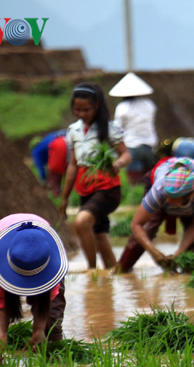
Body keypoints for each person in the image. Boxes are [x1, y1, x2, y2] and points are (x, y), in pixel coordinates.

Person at [59, 83, 131, 270]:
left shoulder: (109, 128)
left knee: (82, 222)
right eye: (77, 109)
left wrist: (117, 163)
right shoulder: (73, 130)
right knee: (100, 236)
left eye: (86, 110)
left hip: (107, 187)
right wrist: (65, 198)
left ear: (96, 106)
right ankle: (115, 274)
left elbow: (126, 155)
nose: (81, 114)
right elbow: (73, 165)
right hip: (85, 189)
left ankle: (91, 271)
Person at [0, 214, 69, 351]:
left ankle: (53, 361)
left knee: (52, 329)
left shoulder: (51, 259)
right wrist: (1, 337)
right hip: (5, 249)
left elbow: (49, 296)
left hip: (42, 253)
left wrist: (39, 329)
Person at [116, 145, 194, 273]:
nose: (167, 200)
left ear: (188, 195)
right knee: (147, 229)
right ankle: (121, 270)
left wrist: (179, 252)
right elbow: (136, 224)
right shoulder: (160, 189)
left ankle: (189, 276)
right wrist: (153, 251)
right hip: (160, 177)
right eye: (166, 196)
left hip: (192, 201)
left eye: (172, 197)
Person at [110, 72, 158, 185]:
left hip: (132, 145)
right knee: (149, 178)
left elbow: (118, 127)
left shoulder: (122, 107)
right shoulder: (149, 104)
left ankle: (135, 198)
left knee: (135, 179)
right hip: (150, 143)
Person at [30, 130, 67, 195]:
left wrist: (43, 180)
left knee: (55, 176)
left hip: (59, 145)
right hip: (67, 142)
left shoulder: (36, 151)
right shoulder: (45, 142)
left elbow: (40, 167)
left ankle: (55, 196)